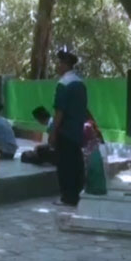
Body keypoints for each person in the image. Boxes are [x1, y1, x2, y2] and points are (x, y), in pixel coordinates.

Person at [50, 50, 87, 207]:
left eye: (59, 63)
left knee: (65, 165)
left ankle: (67, 197)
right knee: (76, 163)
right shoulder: (80, 83)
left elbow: (60, 111)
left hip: (65, 131)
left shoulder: (63, 84)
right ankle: (77, 194)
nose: (57, 66)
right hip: (77, 131)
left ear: (65, 65)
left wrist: (53, 132)